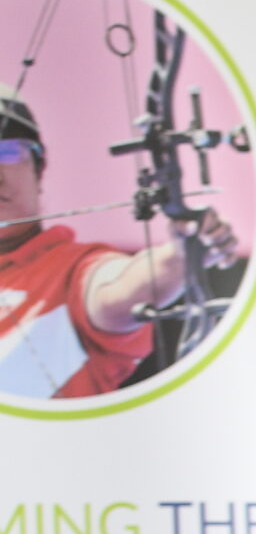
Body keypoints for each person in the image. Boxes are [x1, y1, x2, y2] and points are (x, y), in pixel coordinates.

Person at [0, 84, 240, 398]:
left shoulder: (71, 272)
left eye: (8, 152)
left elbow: (119, 289)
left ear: (39, 169)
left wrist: (179, 256)